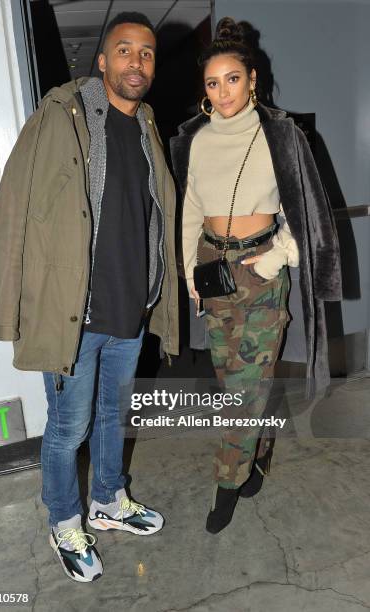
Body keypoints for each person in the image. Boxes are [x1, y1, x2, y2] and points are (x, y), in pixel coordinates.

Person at [0, 12, 178, 582]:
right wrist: (12, 304)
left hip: (129, 310)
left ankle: (108, 500)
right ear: (102, 61)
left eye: (146, 53)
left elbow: (156, 217)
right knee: (69, 428)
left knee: (114, 418)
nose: (136, 62)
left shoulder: (147, 126)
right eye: (124, 51)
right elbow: (13, 213)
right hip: (75, 315)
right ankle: (64, 520)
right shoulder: (59, 118)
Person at [170, 17, 341, 534]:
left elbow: (308, 214)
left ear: (252, 80)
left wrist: (274, 258)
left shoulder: (282, 135)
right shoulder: (195, 141)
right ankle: (260, 449)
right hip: (212, 269)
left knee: (243, 392)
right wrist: (190, 279)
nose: (223, 92)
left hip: (261, 274)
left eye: (232, 79)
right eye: (212, 83)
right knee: (237, 388)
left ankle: (228, 482)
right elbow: (189, 214)